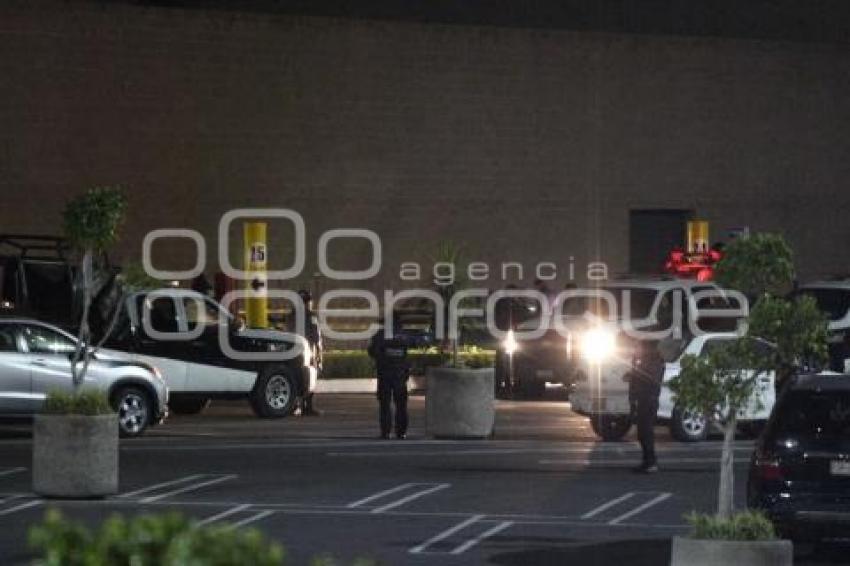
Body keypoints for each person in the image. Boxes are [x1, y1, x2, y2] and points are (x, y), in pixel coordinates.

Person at [367, 314, 410, 439]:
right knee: (401, 405)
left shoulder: (380, 335)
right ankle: (401, 432)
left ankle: (385, 432)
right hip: (400, 374)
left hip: (384, 373)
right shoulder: (403, 335)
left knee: (385, 404)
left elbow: (372, 351)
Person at [627, 339, 665, 473]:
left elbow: (650, 378)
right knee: (642, 433)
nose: (637, 349)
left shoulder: (654, 361)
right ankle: (647, 461)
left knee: (646, 432)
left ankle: (651, 462)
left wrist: (635, 371)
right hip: (642, 399)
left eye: (639, 346)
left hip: (649, 399)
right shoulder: (643, 361)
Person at [294, 289, 322, 416]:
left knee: (294, 377)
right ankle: (308, 406)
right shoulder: (311, 316)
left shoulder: (291, 315)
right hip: (309, 351)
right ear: (308, 302)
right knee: (310, 377)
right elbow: (316, 336)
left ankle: (294, 406)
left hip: (293, 352)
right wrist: (318, 354)